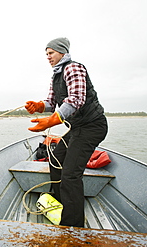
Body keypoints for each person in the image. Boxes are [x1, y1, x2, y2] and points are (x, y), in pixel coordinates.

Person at [25, 37, 108, 227]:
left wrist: (51, 121)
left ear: (62, 52)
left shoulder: (73, 68)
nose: (48, 57)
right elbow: (51, 103)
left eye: (51, 53)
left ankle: (72, 225)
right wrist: (38, 106)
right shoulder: (56, 75)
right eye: (46, 54)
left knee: (70, 175)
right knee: (55, 159)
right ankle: (62, 202)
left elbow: (76, 99)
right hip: (77, 128)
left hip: (92, 127)